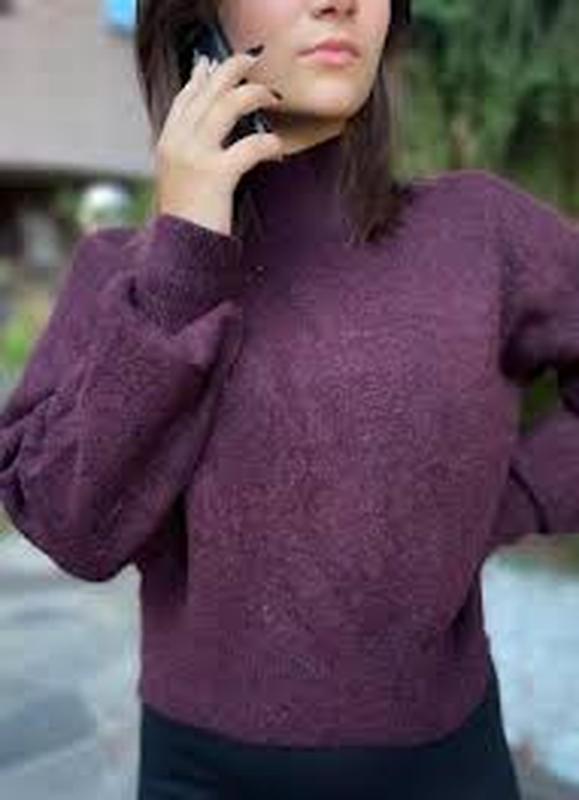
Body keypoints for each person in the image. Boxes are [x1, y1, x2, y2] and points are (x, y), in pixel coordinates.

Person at [1, 0, 578, 797]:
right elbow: (70, 525)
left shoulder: (482, 233)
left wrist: (506, 494)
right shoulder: (125, 277)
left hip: (446, 763)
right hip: (201, 775)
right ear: (199, 20)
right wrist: (182, 266)